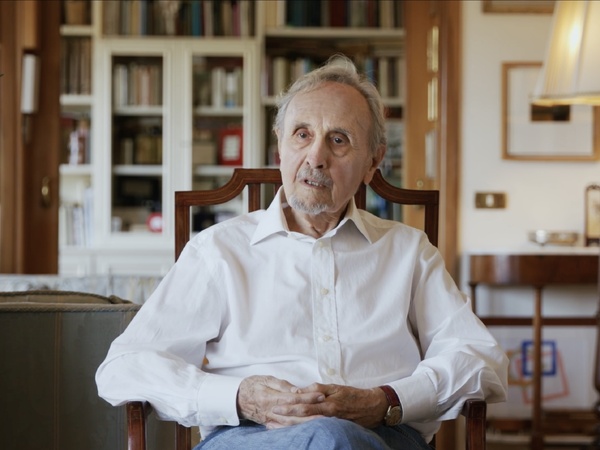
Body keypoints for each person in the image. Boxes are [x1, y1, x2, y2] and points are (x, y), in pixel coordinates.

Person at [96, 55, 508, 450]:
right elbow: (125, 366)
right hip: (249, 439)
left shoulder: (408, 251)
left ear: (373, 161)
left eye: (339, 140)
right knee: (329, 439)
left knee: (335, 439)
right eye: (302, 134)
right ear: (280, 146)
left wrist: (385, 401)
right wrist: (239, 397)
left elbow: (480, 360)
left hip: (383, 438)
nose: (316, 157)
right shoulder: (218, 251)